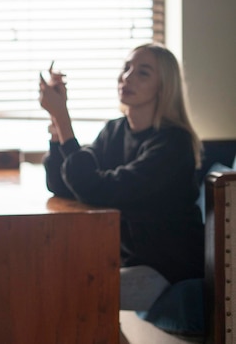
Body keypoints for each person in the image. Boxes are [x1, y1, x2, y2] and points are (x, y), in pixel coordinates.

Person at [38, 43, 204, 344]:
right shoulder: (115, 131)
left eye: (142, 73)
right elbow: (64, 184)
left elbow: (97, 188)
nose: (127, 77)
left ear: (163, 88)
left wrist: (64, 117)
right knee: (57, 279)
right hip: (128, 259)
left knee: (75, 293)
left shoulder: (172, 144)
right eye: (126, 68)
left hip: (166, 267)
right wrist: (56, 125)